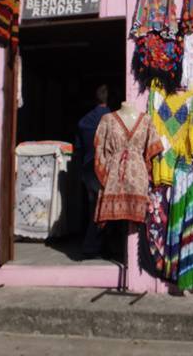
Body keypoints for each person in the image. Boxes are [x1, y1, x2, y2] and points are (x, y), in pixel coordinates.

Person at [76, 84, 111, 258]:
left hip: (87, 170)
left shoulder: (84, 121)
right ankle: (92, 247)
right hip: (103, 170)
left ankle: (96, 245)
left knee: (93, 209)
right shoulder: (112, 119)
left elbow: (79, 148)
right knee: (104, 210)